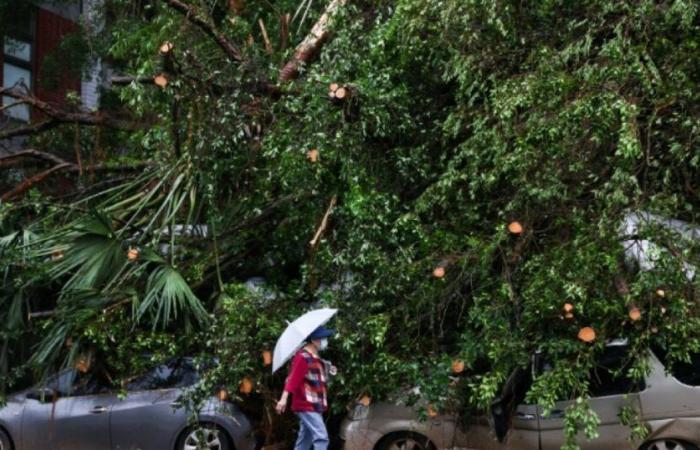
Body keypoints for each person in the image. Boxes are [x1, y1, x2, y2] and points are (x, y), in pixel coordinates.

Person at [275, 326, 336, 450]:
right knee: (321, 437)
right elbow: (293, 379)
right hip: (306, 404)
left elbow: (318, 377)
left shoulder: (315, 356)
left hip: (315, 403)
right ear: (314, 340)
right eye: (323, 338)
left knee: (305, 439)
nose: (325, 340)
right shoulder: (302, 357)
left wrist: (330, 369)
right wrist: (283, 399)